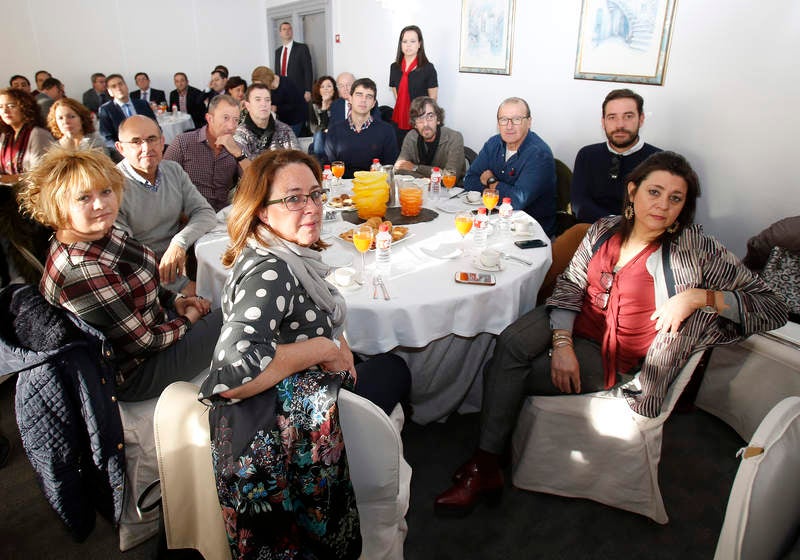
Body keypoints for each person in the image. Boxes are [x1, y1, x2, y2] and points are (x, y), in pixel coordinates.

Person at [434, 151, 789, 515]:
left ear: (684, 207)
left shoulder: (696, 250)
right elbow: (572, 282)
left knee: (512, 371)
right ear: (633, 191)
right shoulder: (605, 228)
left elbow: (772, 307)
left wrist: (701, 297)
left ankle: (485, 464)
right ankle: (493, 456)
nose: (663, 205)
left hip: (613, 354)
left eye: (675, 198)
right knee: (509, 343)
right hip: (576, 318)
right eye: (654, 192)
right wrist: (562, 342)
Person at [198, 149, 410, 558]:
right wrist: (322, 348)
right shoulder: (272, 271)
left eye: (315, 194)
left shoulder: (284, 253)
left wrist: (334, 344)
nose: (312, 207)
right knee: (397, 368)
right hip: (302, 418)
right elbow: (231, 378)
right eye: (293, 198)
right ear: (262, 211)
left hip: (306, 391)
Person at [18, 147, 221, 401]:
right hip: (136, 373)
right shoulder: (83, 269)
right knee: (235, 314)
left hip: (157, 326)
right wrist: (189, 319)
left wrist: (176, 300)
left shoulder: (101, 232)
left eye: (106, 191)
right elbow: (145, 344)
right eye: (83, 197)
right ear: (58, 207)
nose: (101, 204)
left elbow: (140, 278)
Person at [114, 115, 216, 295]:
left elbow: (205, 212)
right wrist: (180, 287)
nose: (146, 148)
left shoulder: (173, 170)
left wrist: (179, 243)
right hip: (147, 281)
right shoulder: (111, 188)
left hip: (183, 261)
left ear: (162, 142)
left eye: (151, 139)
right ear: (120, 148)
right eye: (136, 142)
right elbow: (127, 258)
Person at [464, 97, 557, 237]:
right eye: (504, 119)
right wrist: (502, 192)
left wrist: (491, 181)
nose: (509, 126)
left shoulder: (539, 154)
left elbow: (515, 201)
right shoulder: (493, 144)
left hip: (530, 233)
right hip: (495, 223)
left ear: (529, 122)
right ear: (498, 123)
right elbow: (469, 181)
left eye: (516, 119)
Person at [572, 89, 662, 224]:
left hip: (639, 233)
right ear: (603, 122)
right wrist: (613, 225)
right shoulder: (587, 155)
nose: (620, 125)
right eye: (612, 117)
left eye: (628, 116)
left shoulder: (660, 162)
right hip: (592, 229)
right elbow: (579, 204)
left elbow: (660, 211)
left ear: (641, 119)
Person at [0, 87, 54, 284]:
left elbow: (42, 174)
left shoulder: (37, 134)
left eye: (11, 105)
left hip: (35, 204)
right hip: (10, 204)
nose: (5, 111)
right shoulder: (5, 137)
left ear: (25, 107)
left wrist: (9, 179)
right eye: (1, 107)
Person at [164, 94, 245, 211]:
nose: (232, 126)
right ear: (210, 119)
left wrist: (238, 153)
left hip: (223, 214)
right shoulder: (183, 142)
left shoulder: (236, 147)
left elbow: (255, 182)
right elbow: (163, 181)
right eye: (225, 118)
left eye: (236, 120)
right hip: (189, 213)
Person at [324, 77, 398, 178]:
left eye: (369, 96)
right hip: (342, 185)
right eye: (359, 95)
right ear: (350, 99)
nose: (363, 100)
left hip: (374, 184)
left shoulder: (387, 131)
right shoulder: (334, 131)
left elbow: (389, 168)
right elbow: (329, 168)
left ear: (373, 104)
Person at [394, 96, 465, 182]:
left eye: (430, 116)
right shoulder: (411, 137)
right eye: (420, 118)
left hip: (449, 190)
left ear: (438, 119)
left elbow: (450, 177)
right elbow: (399, 169)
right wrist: (430, 177)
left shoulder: (454, 138)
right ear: (415, 124)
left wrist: (415, 168)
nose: (425, 124)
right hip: (419, 188)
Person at [389, 25, 438, 143]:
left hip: (420, 121)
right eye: (404, 41)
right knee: (399, 150)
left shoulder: (428, 68)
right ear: (400, 44)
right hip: (399, 119)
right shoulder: (394, 67)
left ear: (419, 44)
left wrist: (425, 120)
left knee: (417, 151)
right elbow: (396, 94)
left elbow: (433, 98)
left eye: (412, 41)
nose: (408, 45)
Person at [234, 82, 298, 160]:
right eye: (258, 100)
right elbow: (243, 164)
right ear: (248, 105)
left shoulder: (284, 130)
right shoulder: (240, 134)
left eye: (267, 100)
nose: (263, 104)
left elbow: (297, 159)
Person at [97, 74, 156, 157]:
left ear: (126, 86)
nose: (118, 88)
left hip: (148, 145)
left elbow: (155, 126)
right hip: (125, 152)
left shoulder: (142, 104)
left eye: (120, 84)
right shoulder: (106, 110)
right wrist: (123, 151)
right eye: (114, 86)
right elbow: (106, 137)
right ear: (110, 92)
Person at [253, 65, 306, 138]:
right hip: (282, 120)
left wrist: (277, 108)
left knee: (289, 141)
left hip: (295, 119)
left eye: (260, 84)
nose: (260, 87)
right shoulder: (267, 87)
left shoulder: (287, 84)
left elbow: (294, 105)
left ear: (266, 80)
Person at [274, 21, 314, 102]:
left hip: (298, 91)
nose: (287, 31)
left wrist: (308, 90)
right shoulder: (278, 51)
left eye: (289, 29)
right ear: (280, 33)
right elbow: (277, 72)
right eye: (284, 29)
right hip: (282, 91)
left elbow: (308, 70)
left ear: (292, 31)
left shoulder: (302, 48)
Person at [307, 75, 338, 158]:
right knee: (319, 134)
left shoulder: (339, 104)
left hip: (335, 135)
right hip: (320, 137)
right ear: (319, 90)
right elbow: (315, 128)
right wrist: (324, 107)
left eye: (329, 86)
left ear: (334, 90)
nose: (326, 89)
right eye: (322, 87)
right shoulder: (313, 105)